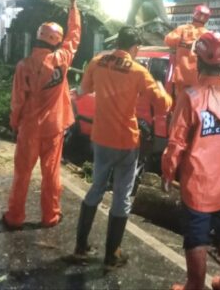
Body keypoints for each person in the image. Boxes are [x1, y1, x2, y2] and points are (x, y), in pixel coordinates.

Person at [67, 27, 172, 270]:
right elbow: (162, 104)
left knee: (95, 189)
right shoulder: (138, 71)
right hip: (126, 141)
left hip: (101, 138)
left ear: (118, 43)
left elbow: (83, 91)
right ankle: (111, 254)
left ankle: (80, 247)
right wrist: (162, 88)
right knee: (122, 196)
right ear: (135, 48)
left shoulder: (97, 61)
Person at [162, 31, 220, 290]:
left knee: (196, 236)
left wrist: (168, 174)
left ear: (198, 60)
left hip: (198, 185)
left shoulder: (190, 96)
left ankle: (195, 285)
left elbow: (176, 142)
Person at [2, 0, 81, 229]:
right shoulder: (62, 58)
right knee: (51, 173)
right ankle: (50, 216)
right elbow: (74, 36)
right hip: (54, 127)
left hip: (29, 129)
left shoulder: (24, 65)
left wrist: (14, 123)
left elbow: (18, 101)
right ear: (56, 40)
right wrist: (73, 6)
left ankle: (15, 217)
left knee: (22, 174)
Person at [164, 5, 211, 100]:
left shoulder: (182, 29)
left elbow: (167, 41)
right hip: (197, 80)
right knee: (194, 105)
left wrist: (181, 40)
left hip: (180, 77)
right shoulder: (208, 35)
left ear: (194, 14)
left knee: (181, 104)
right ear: (206, 19)